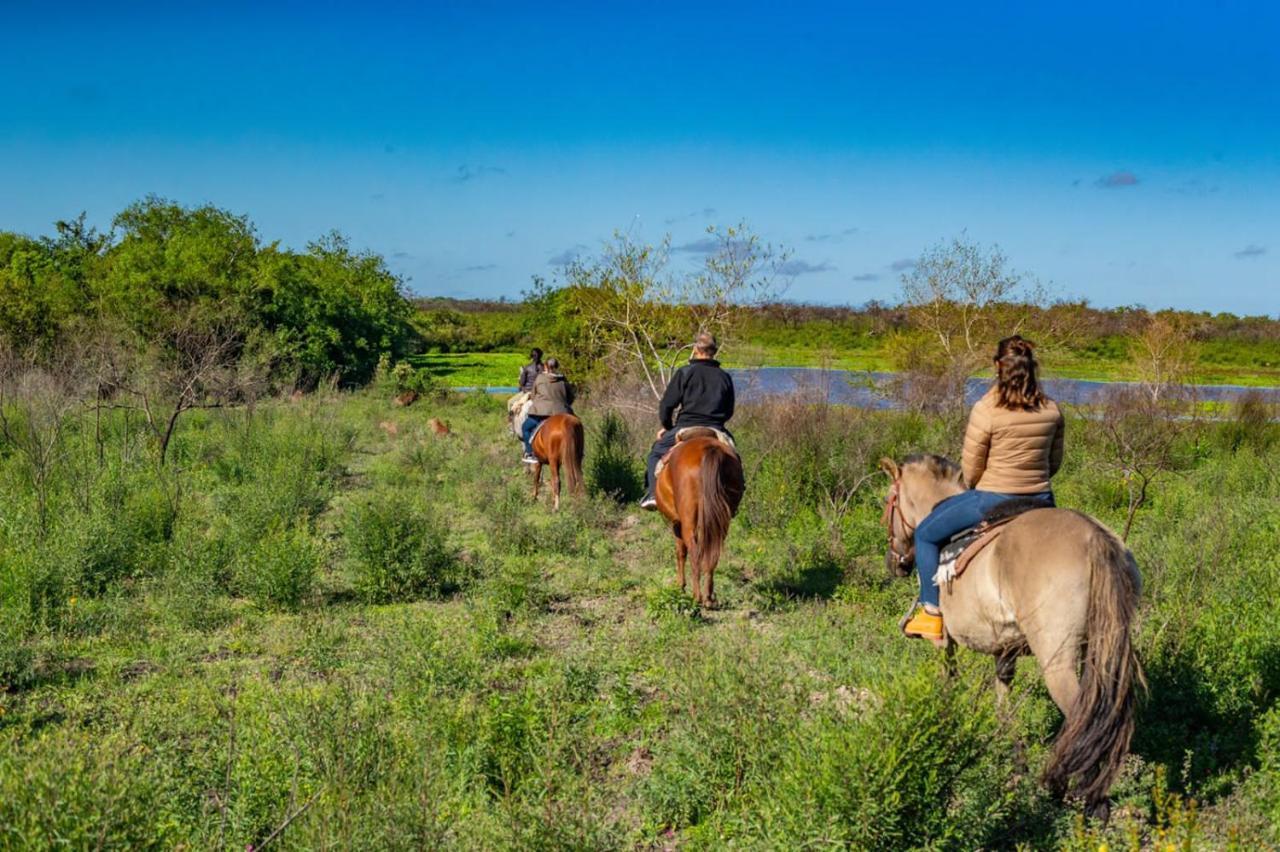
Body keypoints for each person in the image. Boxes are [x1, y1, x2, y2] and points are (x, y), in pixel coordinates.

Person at [902, 335, 1065, 642]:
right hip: (1042, 500)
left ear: (997, 367)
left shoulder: (986, 409)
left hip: (992, 499)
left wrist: (981, 485)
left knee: (925, 533)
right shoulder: (1051, 410)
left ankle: (931, 613)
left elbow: (972, 467)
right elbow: (1054, 463)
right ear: (1033, 368)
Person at [640, 332, 735, 509]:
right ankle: (735, 496)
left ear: (695, 349)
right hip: (716, 428)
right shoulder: (725, 377)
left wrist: (668, 427)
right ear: (714, 351)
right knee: (734, 456)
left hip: (685, 426)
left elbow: (666, 406)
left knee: (655, 453)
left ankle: (653, 495)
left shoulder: (685, 372)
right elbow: (729, 411)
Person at [521, 357, 575, 464]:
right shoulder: (563, 379)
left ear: (545, 366)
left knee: (525, 428)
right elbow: (571, 397)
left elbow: (533, 395)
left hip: (542, 413)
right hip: (562, 412)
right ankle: (579, 451)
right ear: (557, 367)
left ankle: (530, 452)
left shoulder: (540, 378)